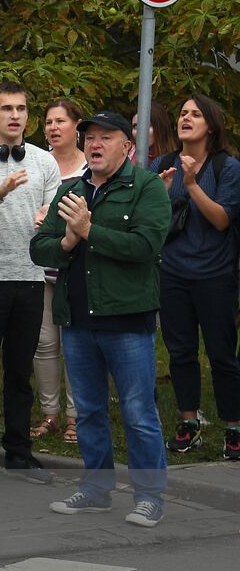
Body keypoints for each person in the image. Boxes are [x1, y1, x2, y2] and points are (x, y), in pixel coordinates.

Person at [34, 112, 170, 526]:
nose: (94, 144)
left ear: (127, 147)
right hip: (77, 320)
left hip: (127, 320)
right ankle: (95, 489)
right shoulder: (71, 190)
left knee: (138, 412)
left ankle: (149, 497)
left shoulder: (146, 188)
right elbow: (40, 249)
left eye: (105, 138)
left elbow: (146, 246)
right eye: (89, 137)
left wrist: (90, 232)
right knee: (89, 411)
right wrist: (70, 237)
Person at [0, 82, 61, 484]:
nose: (15, 116)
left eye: (21, 108)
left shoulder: (44, 161)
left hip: (31, 276)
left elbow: (55, 208)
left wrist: (48, 217)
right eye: (7, 109)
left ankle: (19, 451)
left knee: (21, 372)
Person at [154, 96, 240, 460]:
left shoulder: (227, 167)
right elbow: (153, 221)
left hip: (215, 276)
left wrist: (191, 185)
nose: (186, 118)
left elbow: (222, 220)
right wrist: (157, 193)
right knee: (181, 353)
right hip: (172, 273)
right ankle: (189, 424)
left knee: (222, 355)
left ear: (211, 125)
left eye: (195, 114)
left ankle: (234, 428)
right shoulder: (163, 163)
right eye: (183, 113)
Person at [33, 99, 87, 442]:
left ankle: (76, 417)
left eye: (60, 121)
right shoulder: (38, 163)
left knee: (75, 344)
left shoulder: (89, 168)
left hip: (76, 268)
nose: (53, 128)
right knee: (44, 342)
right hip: (41, 266)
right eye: (49, 122)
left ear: (76, 126)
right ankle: (50, 414)